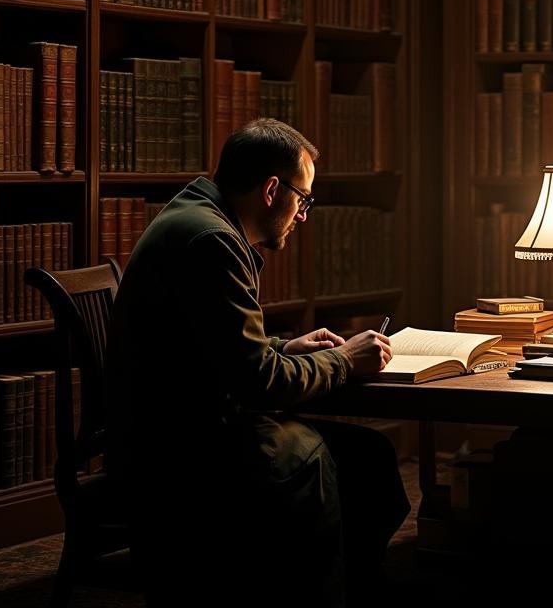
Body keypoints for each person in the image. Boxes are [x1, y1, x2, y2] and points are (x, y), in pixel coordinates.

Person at [105, 118, 410, 606]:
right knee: (350, 461)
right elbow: (258, 383)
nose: (303, 215)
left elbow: (211, 350)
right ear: (272, 189)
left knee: (370, 458)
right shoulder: (213, 242)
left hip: (169, 430)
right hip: (183, 454)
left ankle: (349, 586)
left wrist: (286, 348)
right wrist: (345, 362)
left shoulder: (199, 215)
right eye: (303, 200)